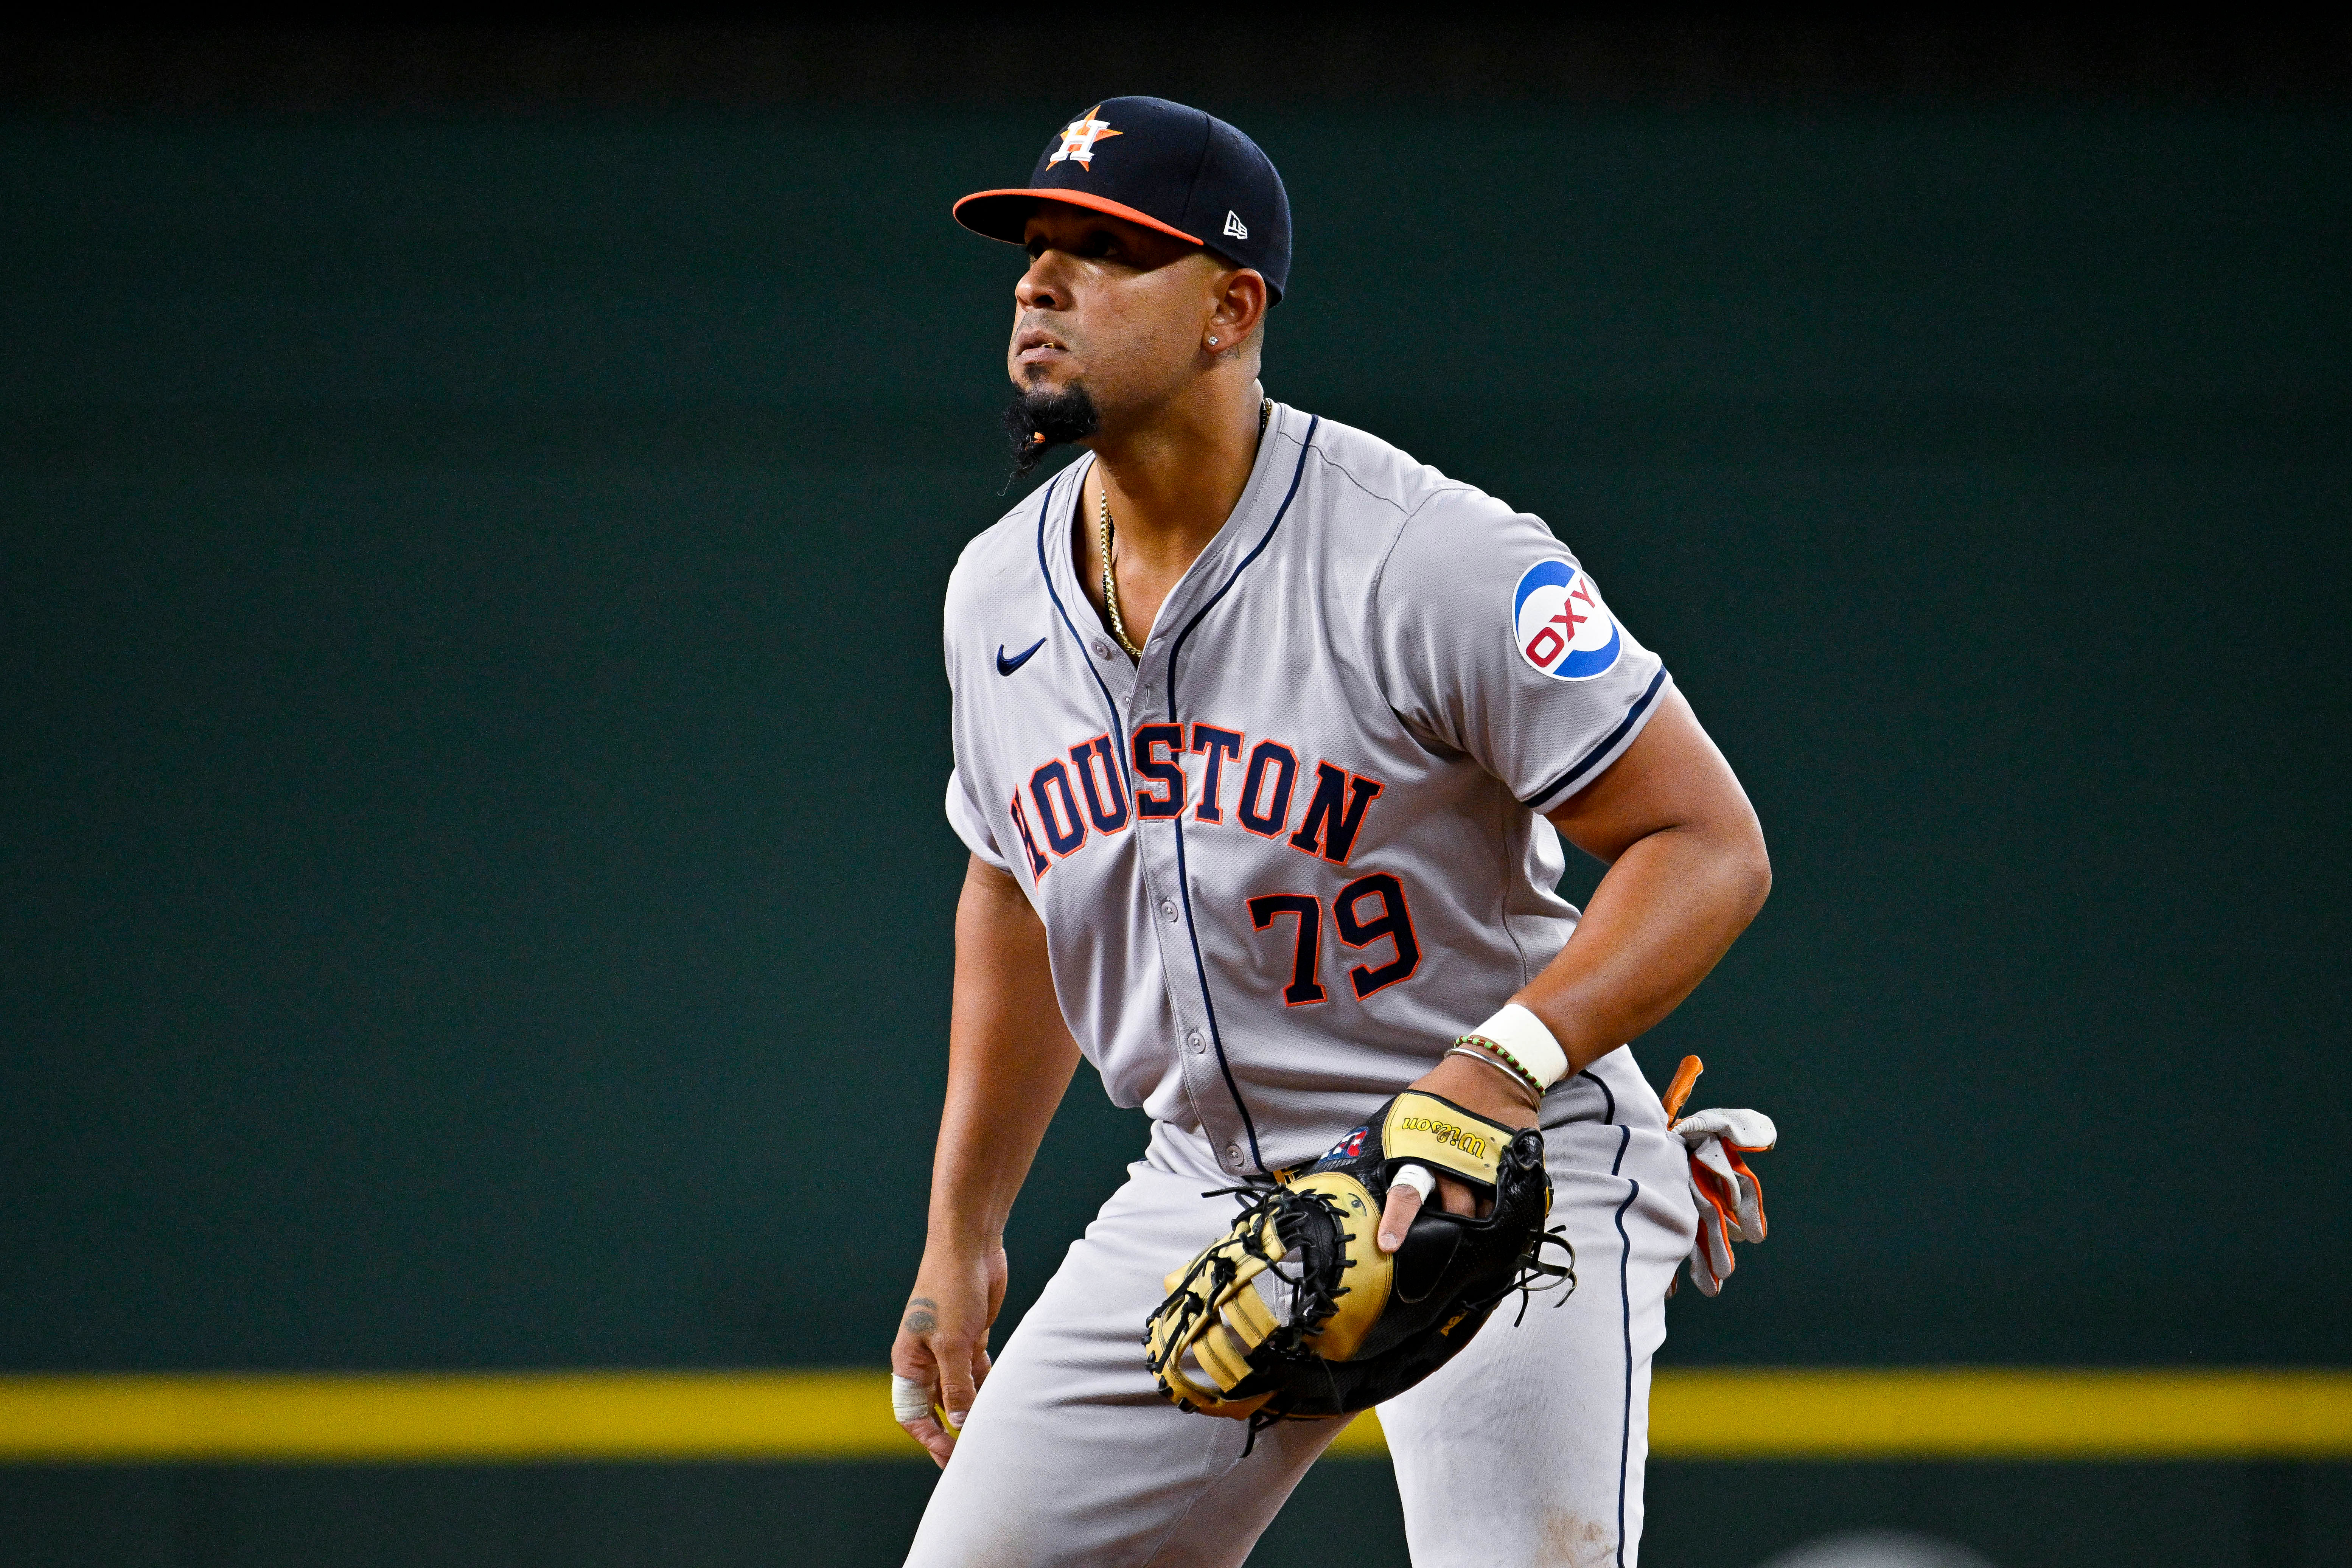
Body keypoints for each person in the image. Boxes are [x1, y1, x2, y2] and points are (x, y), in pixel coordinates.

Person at [891, 96, 1772, 1566]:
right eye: (1035, 246)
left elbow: (1705, 839)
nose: (1040, 282)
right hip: (1211, 1182)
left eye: (1104, 249)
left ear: (1232, 307)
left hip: (1504, 1156)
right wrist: (962, 1228)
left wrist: (1506, 1068)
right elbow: (1014, 889)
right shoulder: (994, 598)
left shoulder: (1427, 556)